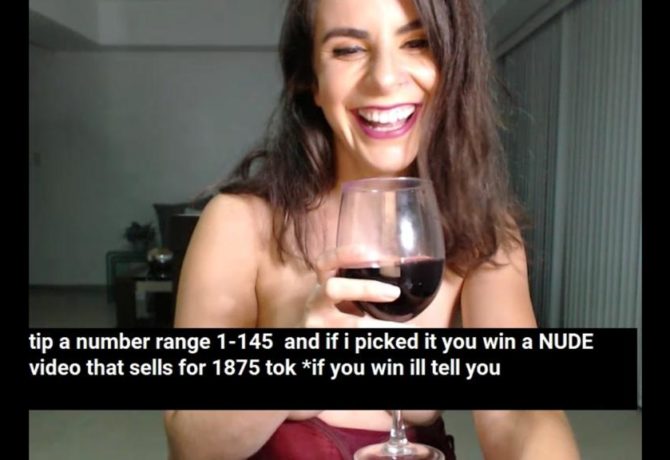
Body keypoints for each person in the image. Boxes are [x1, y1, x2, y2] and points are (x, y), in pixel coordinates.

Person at [164, 0, 580, 458]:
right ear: (310, 79)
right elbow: (190, 446)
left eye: (417, 43)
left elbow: (522, 414)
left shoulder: (482, 228)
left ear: (453, 66)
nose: (384, 78)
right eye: (348, 49)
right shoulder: (238, 223)